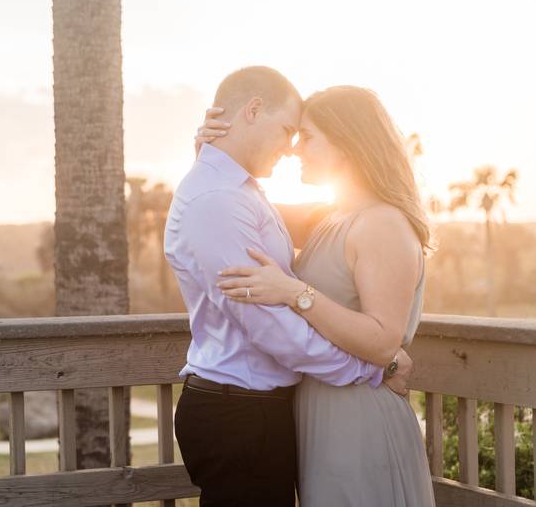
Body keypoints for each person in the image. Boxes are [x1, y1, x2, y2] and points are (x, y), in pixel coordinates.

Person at [164, 66, 413, 507]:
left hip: (295, 412)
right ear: (254, 110)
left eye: (306, 136)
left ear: (347, 144)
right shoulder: (219, 198)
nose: (293, 146)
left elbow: (377, 326)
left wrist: (210, 152)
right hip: (242, 413)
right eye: (288, 131)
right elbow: (267, 325)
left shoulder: (258, 198)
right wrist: (372, 369)